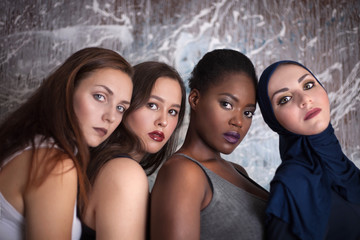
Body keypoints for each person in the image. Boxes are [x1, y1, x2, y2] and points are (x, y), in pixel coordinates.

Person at [0, 47, 134, 240]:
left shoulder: (29, 144)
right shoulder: (55, 163)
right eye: (100, 96)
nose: (111, 116)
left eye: (121, 107)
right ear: (67, 90)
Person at [150, 49, 269, 240]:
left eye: (248, 112)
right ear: (195, 99)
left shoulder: (238, 171)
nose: (238, 121)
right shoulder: (183, 172)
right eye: (227, 104)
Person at [81, 61, 186, 239]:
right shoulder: (125, 173)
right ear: (127, 102)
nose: (164, 121)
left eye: (173, 111)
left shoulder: (107, 165)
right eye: (152, 105)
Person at [257, 60, 360, 240]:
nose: (305, 100)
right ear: (273, 120)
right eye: (285, 99)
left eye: (309, 85)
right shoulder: (291, 183)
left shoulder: (342, 165)